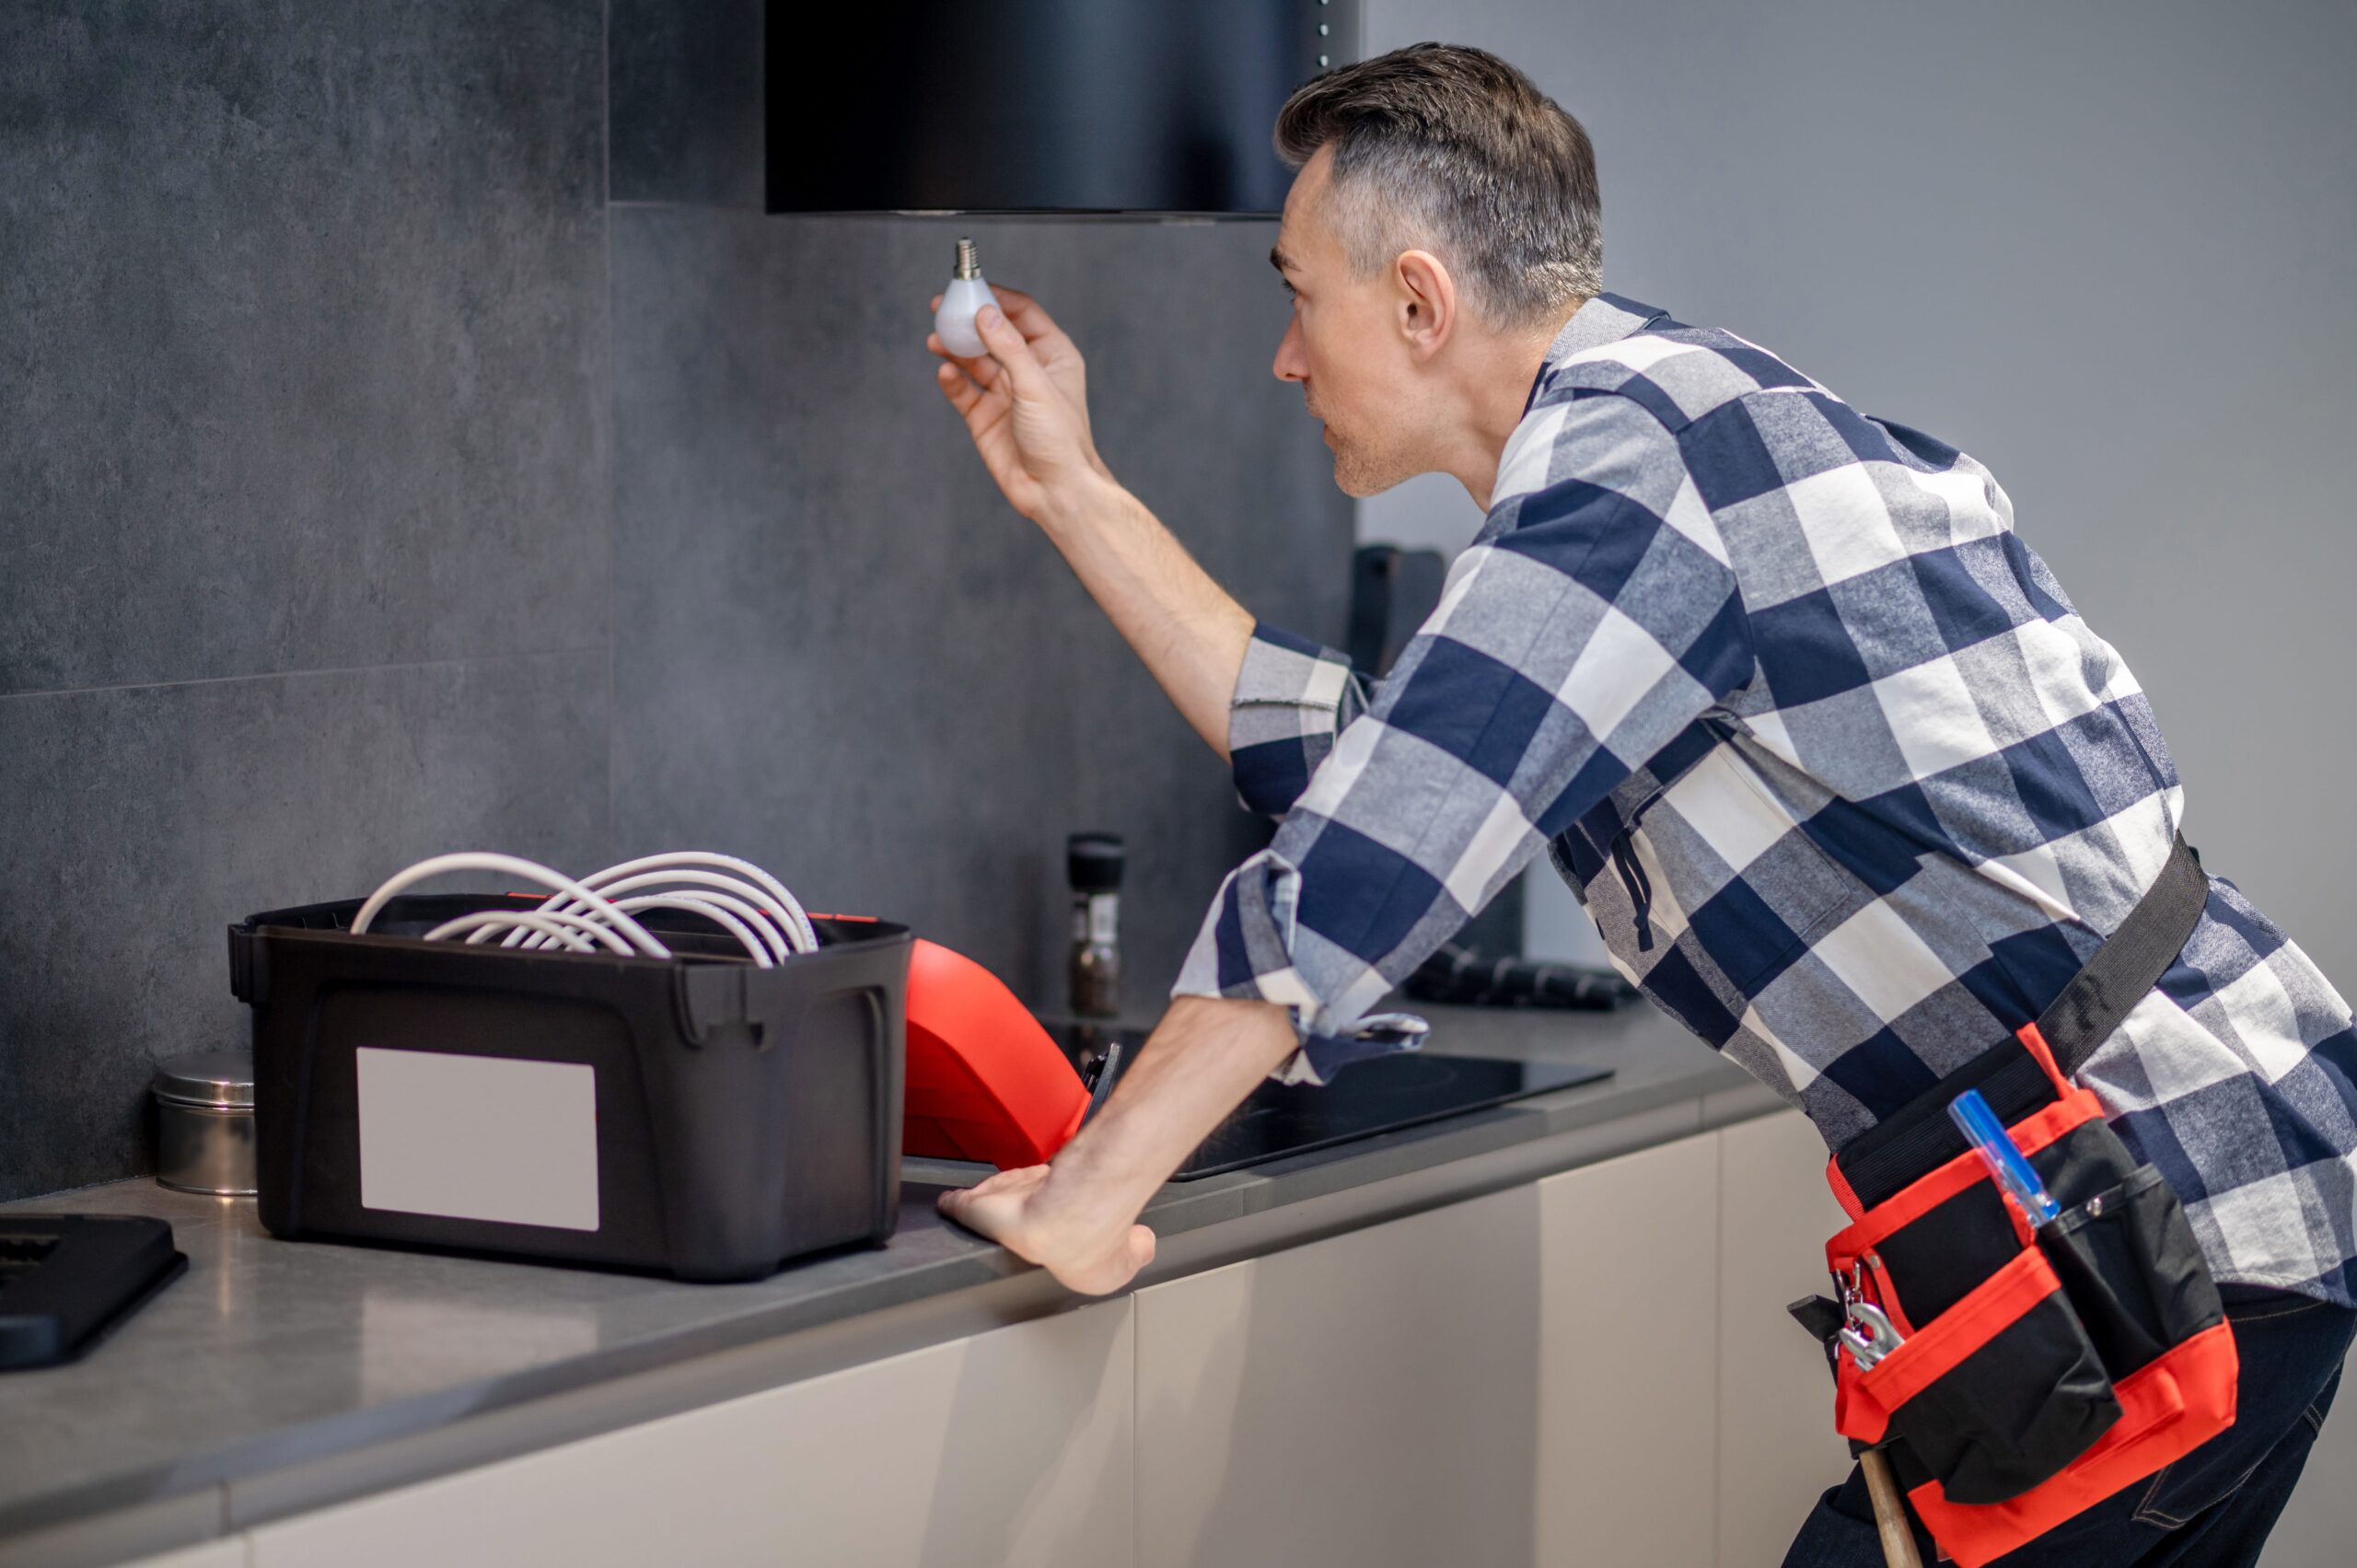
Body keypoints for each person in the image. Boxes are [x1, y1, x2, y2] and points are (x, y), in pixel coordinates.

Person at [925, 41, 2357, 1566]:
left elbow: (1376, 845)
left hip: (2162, 1205)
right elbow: (1369, 761)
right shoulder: (1654, 435)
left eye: (1298, 295)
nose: (1285, 358)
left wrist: (1090, 1197)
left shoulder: (1630, 467)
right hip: (2166, 1194)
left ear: (1418, 303)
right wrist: (1068, 484)